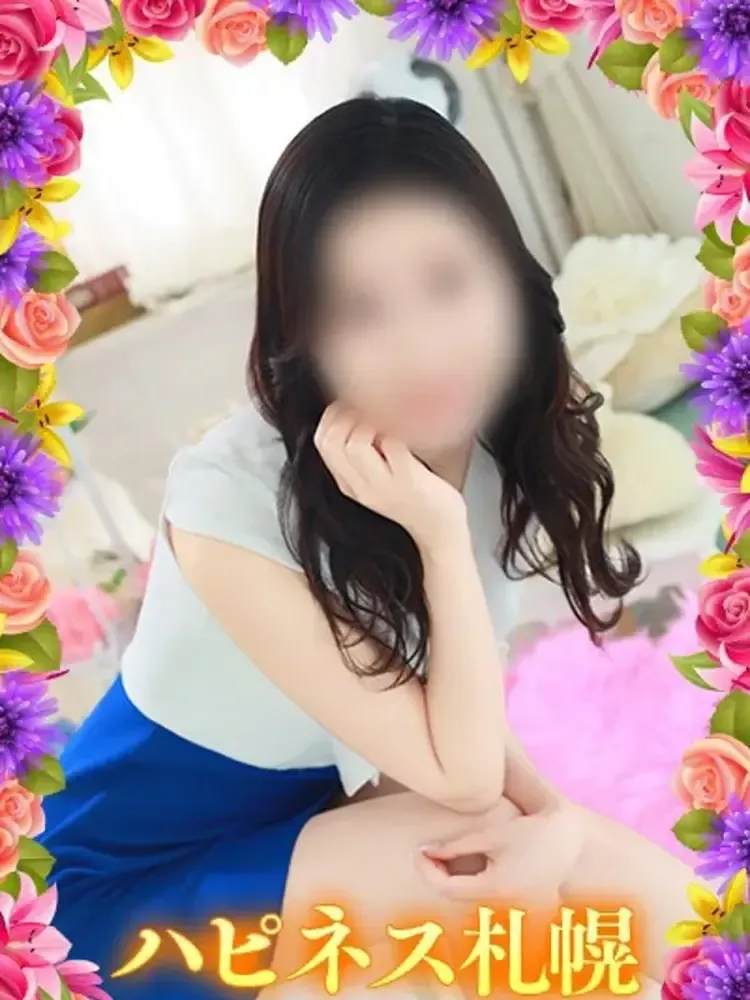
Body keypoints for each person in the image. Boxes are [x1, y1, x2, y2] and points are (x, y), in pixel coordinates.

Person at [42, 97, 694, 1000]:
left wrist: (554, 819)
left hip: (314, 818)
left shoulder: (479, 441)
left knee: (595, 876)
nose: (421, 349)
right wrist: (437, 532)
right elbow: (461, 777)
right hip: (112, 891)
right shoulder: (227, 499)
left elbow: (450, 717)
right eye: (359, 310)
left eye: (447, 282)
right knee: (476, 877)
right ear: (305, 337)